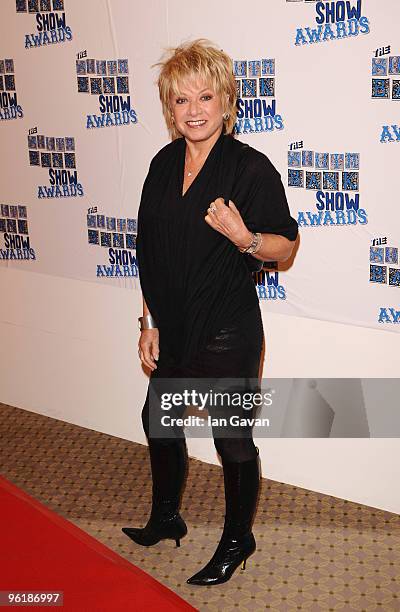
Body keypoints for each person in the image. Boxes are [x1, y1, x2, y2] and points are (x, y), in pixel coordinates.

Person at [122, 39, 298, 586]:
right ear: (169, 108)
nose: (194, 110)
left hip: (227, 330)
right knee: (158, 421)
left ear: (227, 102)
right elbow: (150, 249)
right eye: (181, 100)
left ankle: (237, 538)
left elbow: (285, 248)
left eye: (205, 96)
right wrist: (147, 321)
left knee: (231, 439)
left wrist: (245, 237)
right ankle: (167, 515)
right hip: (172, 327)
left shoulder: (249, 168)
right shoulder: (162, 163)